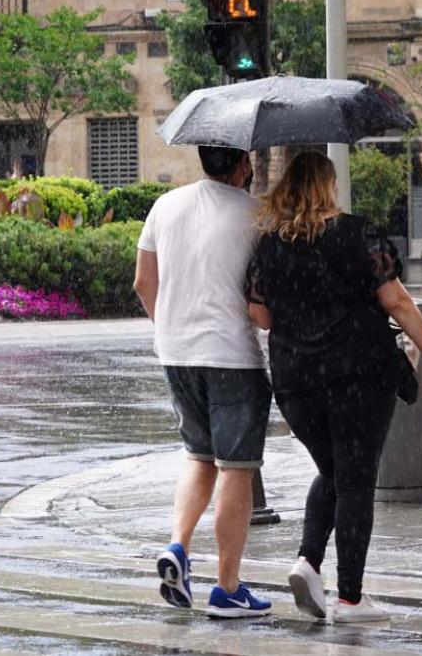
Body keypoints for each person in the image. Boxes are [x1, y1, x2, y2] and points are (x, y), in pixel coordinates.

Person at [247, 151, 422, 624]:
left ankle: (308, 561)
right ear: (329, 185)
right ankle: (351, 599)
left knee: (334, 470)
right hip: (359, 375)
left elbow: (261, 316)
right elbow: (397, 302)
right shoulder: (359, 234)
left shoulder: (269, 245)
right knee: (356, 480)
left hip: (296, 382)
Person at [133, 145, 274, 618]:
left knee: (199, 457)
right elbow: (262, 300)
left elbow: (143, 281)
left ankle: (178, 545)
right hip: (232, 356)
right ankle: (228, 588)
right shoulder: (257, 215)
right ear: (242, 164)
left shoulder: (165, 205)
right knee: (236, 467)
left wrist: (169, 327)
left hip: (176, 353)